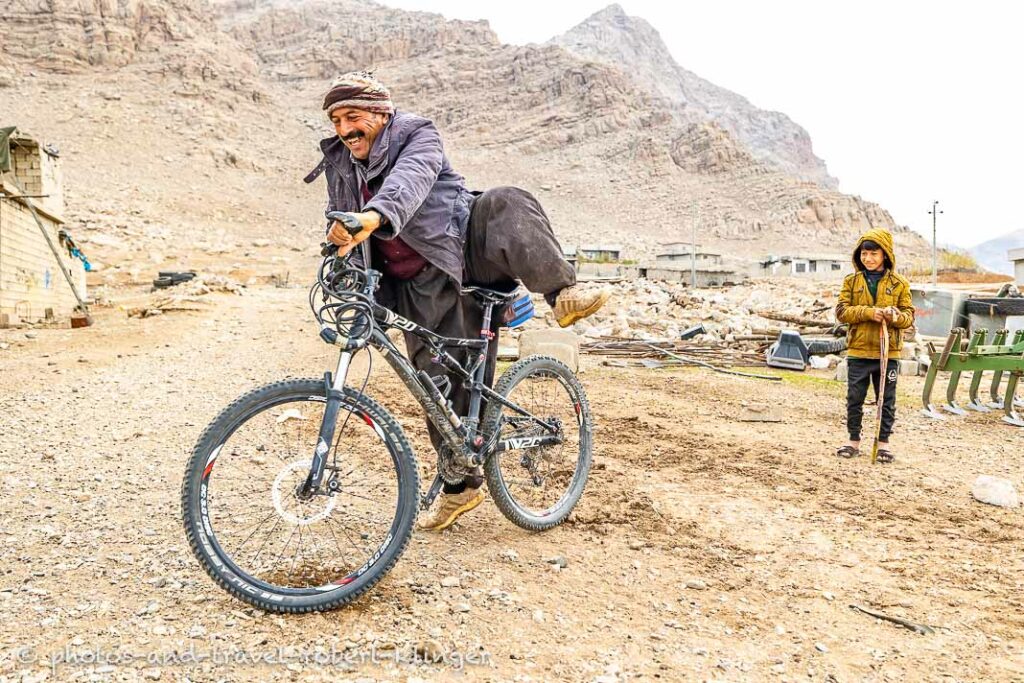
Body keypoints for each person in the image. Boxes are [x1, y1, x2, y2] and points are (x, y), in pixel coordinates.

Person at [304, 72, 610, 531]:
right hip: (412, 288)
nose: (345, 129)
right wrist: (340, 249)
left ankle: (561, 291)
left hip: (463, 255)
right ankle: (460, 488)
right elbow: (343, 225)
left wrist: (372, 216)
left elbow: (409, 181)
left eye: (353, 117)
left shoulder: (417, 134)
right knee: (436, 391)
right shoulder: (341, 164)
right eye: (336, 120)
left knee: (505, 201)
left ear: (382, 114)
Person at [834, 228, 914, 463]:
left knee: (886, 399)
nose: (868, 259)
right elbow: (841, 312)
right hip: (859, 351)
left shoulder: (899, 284)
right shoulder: (851, 281)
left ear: (885, 255)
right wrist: (869, 313)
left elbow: (908, 316)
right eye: (864, 254)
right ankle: (853, 442)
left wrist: (895, 316)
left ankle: (883, 445)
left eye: (874, 254)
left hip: (888, 353)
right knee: (855, 398)